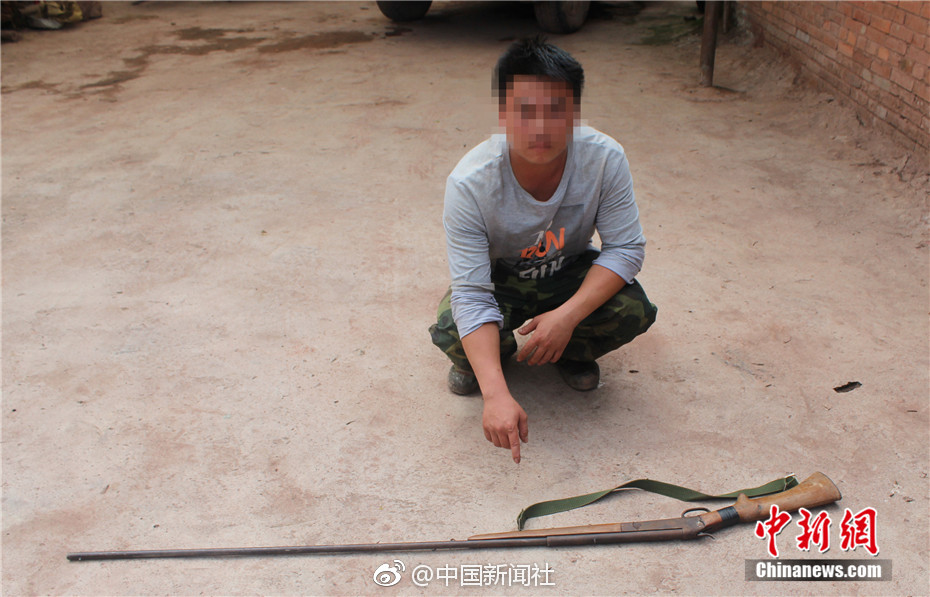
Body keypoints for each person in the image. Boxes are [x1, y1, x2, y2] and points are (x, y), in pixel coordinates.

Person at [429, 37, 657, 464]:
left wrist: (567, 318)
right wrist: (496, 396)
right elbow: (473, 293)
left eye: (556, 111)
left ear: (575, 114)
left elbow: (625, 248)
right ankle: (486, 363)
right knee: (453, 332)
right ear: (502, 114)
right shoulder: (470, 183)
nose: (540, 127)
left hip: (568, 270)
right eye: (525, 111)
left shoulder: (605, 159)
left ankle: (571, 350)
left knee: (632, 310)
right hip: (501, 279)